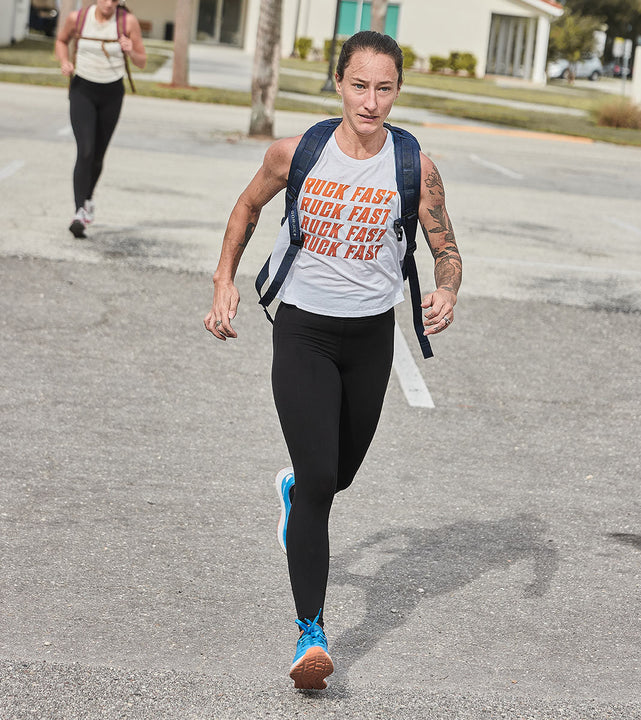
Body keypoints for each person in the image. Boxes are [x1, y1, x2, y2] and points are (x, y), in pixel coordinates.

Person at [204, 30, 462, 690]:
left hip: (370, 341)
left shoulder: (415, 165)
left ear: (397, 91)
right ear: (338, 84)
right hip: (304, 335)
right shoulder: (299, 153)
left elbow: (446, 247)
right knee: (321, 478)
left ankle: (294, 492)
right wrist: (224, 281)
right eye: (359, 86)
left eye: (384, 89)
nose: (371, 102)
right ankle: (310, 633)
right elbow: (246, 206)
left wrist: (448, 288)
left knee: (336, 475)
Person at [55, 0, 146, 238]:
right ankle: (78, 213)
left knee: (97, 155)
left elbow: (142, 61)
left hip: (112, 93)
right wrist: (64, 61)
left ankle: (87, 199)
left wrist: (130, 49)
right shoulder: (79, 18)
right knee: (85, 149)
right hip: (82, 89)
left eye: (114, 0)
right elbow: (61, 40)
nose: (108, 3)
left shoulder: (127, 22)